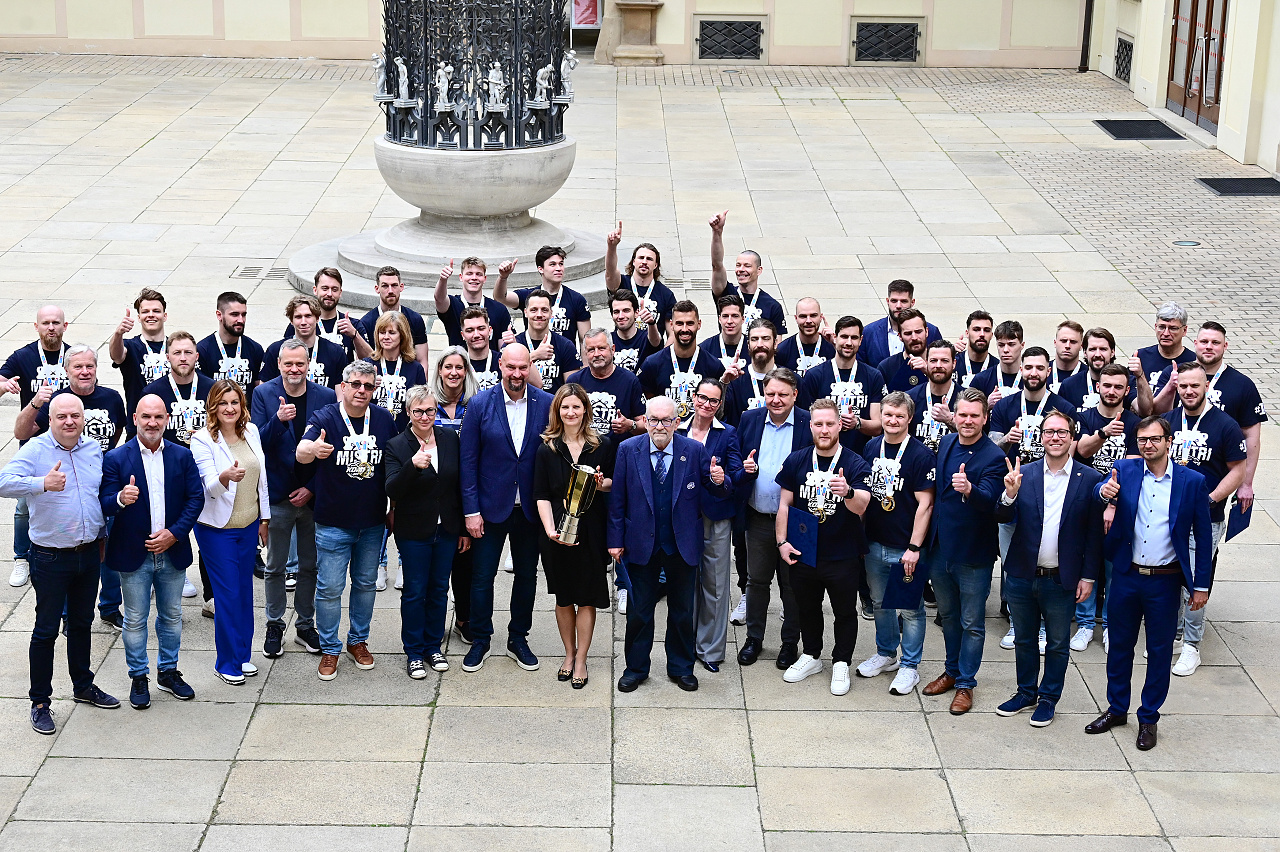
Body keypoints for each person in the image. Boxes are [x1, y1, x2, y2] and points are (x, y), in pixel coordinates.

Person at [1086, 415, 1212, 751]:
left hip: (1165, 582)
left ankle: (1148, 718)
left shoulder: (1192, 482)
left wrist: (1201, 585)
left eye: (1155, 439)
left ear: (1169, 441)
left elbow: (1203, 537)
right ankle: (1116, 709)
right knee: (1119, 647)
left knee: (1158, 652)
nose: (1148, 445)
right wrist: (1103, 492)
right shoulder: (1124, 470)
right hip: (1127, 576)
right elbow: (1100, 490)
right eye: (1142, 439)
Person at [0, 394, 119, 734]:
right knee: (46, 630)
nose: (69, 421)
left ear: (83, 418)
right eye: (62, 416)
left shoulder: (93, 449)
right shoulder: (36, 450)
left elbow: (96, 495)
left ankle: (83, 685)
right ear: (50, 420)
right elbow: (3, 482)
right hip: (50, 556)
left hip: (88, 553)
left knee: (82, 623)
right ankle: (40, 702)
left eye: (75, 416)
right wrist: (41, 484)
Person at [609, 396, 728, 693]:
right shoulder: (628, 450)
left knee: (682, 612)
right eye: (653, 420)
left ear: (677, 422)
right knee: (639, 612)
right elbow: (617, 500)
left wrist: (718, 480)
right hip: (640, 544)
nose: (659, 426)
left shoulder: (694, 450)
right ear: (645, 421)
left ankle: (681, 668)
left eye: (666, 420)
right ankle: (636, 669)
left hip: (682, 544)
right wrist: (615, 540)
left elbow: (715, 490)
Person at [993, 410, 1103, 727]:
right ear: (1040, 437)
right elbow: (1001, 517)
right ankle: (1026, 693)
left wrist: (1088, 577)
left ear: (1072, 437)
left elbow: (1094, 535)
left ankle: (1048, 698)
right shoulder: (1023, 474)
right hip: (1022, 575)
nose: (1055, 437)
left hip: (1061, 579)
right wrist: (1009, 495)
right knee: (1024, 639)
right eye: (1049, 432)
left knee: (1056, 643)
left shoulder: (1089, 479)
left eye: (1061, 432)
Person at [100, 394, 203, 709]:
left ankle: (168, 673)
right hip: (134, 555)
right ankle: (139, 676)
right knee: (135, 619)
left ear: (167, 419)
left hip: (172, 552)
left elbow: (195, 499)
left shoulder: (182, 456)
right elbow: (103, 502)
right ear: (135, 419)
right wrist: (120, 498)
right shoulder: (116, 458)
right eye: (146, 416)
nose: (152, 423)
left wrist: (174, 534)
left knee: (172, 616)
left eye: (158, 417)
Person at [296, 361, 398, 681]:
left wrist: (393, 507)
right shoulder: (325, 417)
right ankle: (330, 647)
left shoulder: (383, 419)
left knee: (365, 584)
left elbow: (393, 465)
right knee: (330, 588)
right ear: (343, 386)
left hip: (372, 522)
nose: (361, 391)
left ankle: (358, 641)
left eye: (368, 386)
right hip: (333, 523)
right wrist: (313, 449)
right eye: (355, 384)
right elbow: (301, 451)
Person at [16, 344, 127, 628]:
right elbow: (21, 433)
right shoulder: (58, 402)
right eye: (78, 367)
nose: (85, 371)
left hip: (103, 483)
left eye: (90, 366)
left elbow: (119, 433)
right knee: (70, 552)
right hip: (65, 485)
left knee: (109, 549)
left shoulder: (112, 398)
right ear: (66, 371)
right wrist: (35, 403)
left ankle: (110, 606)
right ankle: (67, 614)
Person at [459, 344, 554, 673]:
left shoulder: (546, 403)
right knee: (482, 576)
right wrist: (471, 511)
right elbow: (468, 461)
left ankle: (518, 638)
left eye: (523, 367)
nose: (517, 374)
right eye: (511, 367)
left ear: (530, 367)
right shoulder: (479, 404)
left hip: (529, 509)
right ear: (500, 365)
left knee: (527, 576)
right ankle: (481, 638)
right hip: (489, 508)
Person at [775, 399, 874, 695]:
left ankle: (841, 661)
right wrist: (782, 542)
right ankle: (811, 655)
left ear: (839, 425)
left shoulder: (854, 462)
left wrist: (848, 492)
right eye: (818, 424)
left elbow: (863, 506)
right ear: (810, 426)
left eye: (830, 423)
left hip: (842, 553)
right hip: (804, 551)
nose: (824, 429)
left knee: (844, 611)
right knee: (807, 607)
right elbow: (784, 505)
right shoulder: (797, 460)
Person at [920, 388, 1007, 715]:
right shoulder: (945, 443)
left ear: (985, 418)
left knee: (972, 622)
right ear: (954, 416)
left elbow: (992, 501)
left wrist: (970, 490)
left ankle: (966, 684)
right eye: (963, 415)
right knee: (949, 617)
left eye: (974, 416)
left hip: (973, 554)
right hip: (940, 549)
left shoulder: (994, 456)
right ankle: (952, 671)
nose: (968, 421)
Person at [250, 339, 336, 658]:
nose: (294, 369)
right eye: (288, 364)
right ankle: (274, 624)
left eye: (300, 363)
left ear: (309, 363)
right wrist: (278, 420)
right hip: (278, 495)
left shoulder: (325, 396)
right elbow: (256, 443)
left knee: (310, 566)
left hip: (313, 495)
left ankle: (304, 625)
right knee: (275, 566)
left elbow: (332, 447)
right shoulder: (263, 393)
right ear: (279, 364)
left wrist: (311, 487)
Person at [1162, 361, 1245, 677]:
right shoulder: (1170, 421)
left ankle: (1192, 646)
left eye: (1195, 385)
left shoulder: (1225, 425)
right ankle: (1174, 634)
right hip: (1168, 517)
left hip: (1205, 519)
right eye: (1183, 386)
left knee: (1195, 581)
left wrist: (1210, 499)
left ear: (1206, 386)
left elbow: (1238, 470)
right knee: (1170, 577)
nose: (1188, 391)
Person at [535, 384, 615, 688]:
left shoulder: (602, 445)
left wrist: (600, 482)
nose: (571, 412)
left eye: (576, 407)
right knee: (564, 597)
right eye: (565, 407)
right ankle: (568, 655)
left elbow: (612, 484)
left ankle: (582, 659)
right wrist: (549, 530)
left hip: (591, 529)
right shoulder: (546, 448)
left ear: (585, 410)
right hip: (557, 530)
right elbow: (541, 494)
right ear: (557, 411)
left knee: (587, 596)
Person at [190, 381, 269, 686]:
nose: (229, 408)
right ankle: (226, 662)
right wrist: (225, 477)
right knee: (228, 595)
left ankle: (242, 655)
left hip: (248, 525)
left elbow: (261, 478)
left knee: (245, 593)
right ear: (213, 407)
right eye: (223, 403)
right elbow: (208, 488)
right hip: (217, 530)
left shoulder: (252, 431)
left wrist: (265, 519)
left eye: (234, 402)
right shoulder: (202, 440)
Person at [857, 392, 936, 696]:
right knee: (879, 603)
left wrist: (914, 548)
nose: (892, 420)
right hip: (875, 541)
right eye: (888, 414)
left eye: (899, 416)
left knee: (911, 609)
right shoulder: (871, 446)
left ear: (909, 418)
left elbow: (926, 505)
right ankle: (887, 653)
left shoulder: (920, 455)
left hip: (906, 547)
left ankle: (910, 666)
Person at [385, 386, 467, 678]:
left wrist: (462, 528)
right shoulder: (396, 445)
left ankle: (433, 646)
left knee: (439, 589)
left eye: (430, 410)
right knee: (415, 591)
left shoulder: (449, 438)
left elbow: (457, 486)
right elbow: (392, 489)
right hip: (414, 531)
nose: (424, 416)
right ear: (408, 412)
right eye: (418, 411)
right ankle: (414, 652)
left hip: (447, 529)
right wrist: (412, 466)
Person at [735, 369, 812, 670]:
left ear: (795, 395)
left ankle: (789, 642)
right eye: (770, 394)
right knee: (756, 581)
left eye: (782, 394)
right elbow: (736, 460)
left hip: (795, 520)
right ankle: (754, 638)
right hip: (757, 518)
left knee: (792, 585)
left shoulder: (807, 422)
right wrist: (743, 468)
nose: (776, 400)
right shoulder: (750, 419)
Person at [1153, 321, 1265, 514]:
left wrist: (1246, 483)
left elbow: (1252, 437)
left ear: (1225, 346)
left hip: (1216, 473)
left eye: (1215, 342)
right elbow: (1156, 415)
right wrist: (1170, 387)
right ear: (1195, 343)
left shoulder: (1242, 385)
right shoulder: (1175, 374)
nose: (1209, 347)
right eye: (1204, 342)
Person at [0, 305, 71, 588]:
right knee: (23, 505)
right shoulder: (23, 356)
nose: (51, 327)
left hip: (68, 439)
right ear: (36, 326)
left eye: (56, 322)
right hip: (34, 440)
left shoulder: (73, 355)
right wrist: (5, 386)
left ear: (65, 326)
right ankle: (21, 557)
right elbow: (1, 380)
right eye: (46, 323)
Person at [1071, 363, 1140, 652]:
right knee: (1087, 564)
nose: (1112, 391)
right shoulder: (1084, 418)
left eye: (1118, 387)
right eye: (1107, 385)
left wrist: (1112, 503)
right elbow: (1081, 450)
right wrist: (1104, 433)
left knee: (1115, 569)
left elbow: (1134, 468)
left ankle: (1111, 625)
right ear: (1098, 386)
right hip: (1085, 503)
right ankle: (1085, 624)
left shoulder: (1135, 423)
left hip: (1120, 507)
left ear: (1127, 390)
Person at [677, 378, 742, 672]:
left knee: (715, 585)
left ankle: (711, 650)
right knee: (684, 582)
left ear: (720, 404)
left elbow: (735, 473)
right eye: (702, 398)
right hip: (682, 517)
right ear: (694, 397)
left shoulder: (727, 433)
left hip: (715, 515)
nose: (706, 404)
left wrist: (722, 478)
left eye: (713, 400)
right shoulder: (677, 429)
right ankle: (684, 644)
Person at [428, 347, 478, 627]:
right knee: (435, 566)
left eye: (459, 367)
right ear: (439, 370)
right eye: (448, 367)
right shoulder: (427, 403)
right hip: (435, 493)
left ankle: (464, 619)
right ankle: (433, 621)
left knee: (465, 563)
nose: (454, 373)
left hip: (466, 491)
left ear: (466, 371)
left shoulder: (476, 404)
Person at [798, 316, 884, 452]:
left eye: (854, 338)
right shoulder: (814, 375)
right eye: (844, 337)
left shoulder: (873, 376)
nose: (849, 343)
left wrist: (857, 423)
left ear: (861, 340)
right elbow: (806, 422)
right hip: (823, 453)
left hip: (860, 455)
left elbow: (878, 426)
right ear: (835, 337)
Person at [988, 347, 1076, 465]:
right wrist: (1006, 439)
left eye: (1040, 368)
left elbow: (1067, 457)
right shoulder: (1002, 406)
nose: (1034, 373)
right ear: (1021, 370)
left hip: (1048, 474)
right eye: (1028, 368)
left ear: (1048, 371)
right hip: (1009, 473)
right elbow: (991, 454)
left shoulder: (1065, 409)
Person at [639, 300, 726, 419]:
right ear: (671, 325)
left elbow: (719, 410)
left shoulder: (714, 366)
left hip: (700, 430)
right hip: (665, 429)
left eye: (690, 323)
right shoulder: (652, 364)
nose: (684, 329)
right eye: (679, 323)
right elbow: (646, 407)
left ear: (699, 324)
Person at [709, 210, 788, 333]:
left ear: (759, 270)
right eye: (738, 265)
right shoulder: (726, 294)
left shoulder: (772, 306)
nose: (741, 270)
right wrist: (717, 232)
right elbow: (717, 265)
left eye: (747, 266)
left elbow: (776, 342)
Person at [494, 246, 592, 343]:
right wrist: (503, 277)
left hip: (564, 352)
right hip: (532, 352)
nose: (559, 268)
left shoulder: (577, 299)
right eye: (552, 264)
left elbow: (585, 341)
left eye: (561, 264)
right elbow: (500, 298)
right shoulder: (529, 296)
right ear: (541, 269)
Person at [569, 328, 645, 444]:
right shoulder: (574, 381)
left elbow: (645, 423)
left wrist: (630, 425)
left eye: (601, 348)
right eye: (591, 350)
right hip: (582, 449)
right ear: (585, 353)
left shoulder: (630, 381)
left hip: (618, 451)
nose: (596, 354)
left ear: (612, 349)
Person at [109, 288, 170, 432]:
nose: (151, 315)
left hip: (170, 425)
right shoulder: (130, 346)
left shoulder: (175, 347)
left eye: (156, 311)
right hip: (138, 428)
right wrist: (118, 334)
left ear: (165, 316)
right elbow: (116, 355)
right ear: (139, 317)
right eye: (145, 311)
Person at [605, 222, 677, 335]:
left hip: (653, 345)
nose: (644, 262)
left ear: (656, 265)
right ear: (634, 261)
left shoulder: (666, 295)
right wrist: (612, 247)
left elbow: (672, 332)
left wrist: (666, 348)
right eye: (641, 258)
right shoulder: (621, 284)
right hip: (623, 344)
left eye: (649, 259)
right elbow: (610, 272)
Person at [262, 295, 347, 389]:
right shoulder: (275, 350)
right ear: (291, 321)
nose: (303, 322)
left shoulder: (335, 352)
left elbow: (341, 394)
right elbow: (263, 390)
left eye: (308, 316)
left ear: (317, 318)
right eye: (298, 317)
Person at [366, 311, 427, 432]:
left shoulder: (415, 368)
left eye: (392, 332)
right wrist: (369, 386)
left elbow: (421, 405)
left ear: (402, 335)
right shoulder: (367, 365)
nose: (386, 337)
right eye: (382, 332)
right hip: (372, 432)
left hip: (403, 434)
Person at [858, 280, 942, 368]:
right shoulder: (869, 332)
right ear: (888, 301)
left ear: (912, 302)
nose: (898, 306)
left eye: (904, 301)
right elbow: (860, 367)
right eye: (894, 301)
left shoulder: (932, 331)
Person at [359, 266, 430, 368]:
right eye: (385, 286)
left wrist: (420, 377)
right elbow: (361, 362)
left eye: (394, 285)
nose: (390, 291)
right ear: (377, 289)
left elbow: (422, 360)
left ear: (401, 287)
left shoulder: (415, 319)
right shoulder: (365, 323)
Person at [1057, 327, 1142, 413]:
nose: (1097, 354)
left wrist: (1140, 376)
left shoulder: (1127, 381)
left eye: (1103, 349)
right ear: (1085, 353)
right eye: (1092, 349)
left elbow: (1144, 410)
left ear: (1112, 352)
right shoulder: (1069, 385)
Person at [434, 256, 513, 349]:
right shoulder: (452, 305)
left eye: (479, 274)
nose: (474, 278)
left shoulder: (498, 309)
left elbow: (504, 349)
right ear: (461, 277)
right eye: (469, 274)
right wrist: (443, 279)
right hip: (460, 358)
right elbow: (439, 299)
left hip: (491, 358)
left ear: (484, 278)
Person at [296, 266, 372, 361]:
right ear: (315, 290)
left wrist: (355, 335)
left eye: (334, 289)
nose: (329, 294)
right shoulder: (301, 323)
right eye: (325, 288)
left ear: (340, 292)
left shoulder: (352, 324)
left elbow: (371, 359)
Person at [196, 291, 265, 394]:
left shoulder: (255, 349)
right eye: (234, 315)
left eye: (243, 315)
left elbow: (259, 388)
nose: (241, 320)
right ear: (219, 315)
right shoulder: (203, 350)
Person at [516, 289, 581, 393]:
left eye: (544, 310)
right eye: (534, 310)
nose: (539, 314)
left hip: (555, 402)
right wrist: (534, 356)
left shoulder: (566, 346)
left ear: (551, 313)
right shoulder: (515, 345)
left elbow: (573, 391)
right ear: (525, 312)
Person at [906, 339, 961, 453]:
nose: (938, 365)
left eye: (944, 361)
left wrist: (950, 421)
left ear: (954, 363)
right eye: (933, 361)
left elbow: (976, 437)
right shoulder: (910, 398)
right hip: (919, 462)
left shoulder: (966, 399)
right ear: (926, 362)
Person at [722, 318, 779, 426]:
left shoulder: (791, 380)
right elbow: (717, 416)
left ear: (775, 343)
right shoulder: (735, 381)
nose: (760, 344)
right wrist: (724, 383)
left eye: (765, 339)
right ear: (748, 345)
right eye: (754, 339)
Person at [1135, 301, 1195, 393]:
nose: (1166, 333)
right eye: (1162, 327)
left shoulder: (1193, 361)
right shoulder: (1140, 357)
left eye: (1173, 328)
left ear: (1184, 330)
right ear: (1155, 327)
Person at [875, 308, 932, 393]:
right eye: (908, 333)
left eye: (918, 332)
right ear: (900, 336)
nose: (914, 338)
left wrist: (929, 372)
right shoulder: (886, 367)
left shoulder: (940, 363)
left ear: (926, 332)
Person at [968, 320, 1025, 401]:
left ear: (1022, 345)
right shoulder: (981, 379)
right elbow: (968, 408)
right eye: (1001, 345)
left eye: (1011, 344)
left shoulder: (1031, 379)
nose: (1005, 350)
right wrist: (987, 405)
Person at [776, 298, 835, 376]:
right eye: (803, 316)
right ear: (796, 318)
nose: (808, 321)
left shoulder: (833, 348)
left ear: (821, 317)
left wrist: (836, 345)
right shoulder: (782, 350)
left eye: (813, 315)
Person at [609, 289, 663, 374]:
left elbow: (656, 342)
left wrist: (651, 323)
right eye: (616, 312)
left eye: (626, 310)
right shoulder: (607, 341)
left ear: (636, 312)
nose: (621, 316)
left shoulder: (646, 337)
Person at [698, 295, 748, 382]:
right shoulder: (704, 349)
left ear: (743, 319)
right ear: (719, 319)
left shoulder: (753, 347)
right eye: (725, 316)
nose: (729, 321)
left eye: (735, 316)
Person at [460, 308, 502, 391]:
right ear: (463, 335)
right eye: (470, 330)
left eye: (481, 328)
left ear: (490, 331)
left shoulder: (503, 361)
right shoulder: (458, 364)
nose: (476, 335)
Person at [954, 310, 995, 388]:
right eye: (976, 329)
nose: (982, 334)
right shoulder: (953, 363)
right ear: (967, 333)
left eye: (986, 330)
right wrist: (949, 353)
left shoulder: (998, 367)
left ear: (991, 335)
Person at [1047, 320, 1086, 393]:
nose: (1067, 346)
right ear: (1055, 343)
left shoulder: (1088, 375)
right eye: (1063, 341)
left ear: (1081, 346)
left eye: (1073, 342)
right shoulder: (1041, 372)